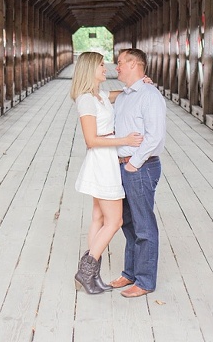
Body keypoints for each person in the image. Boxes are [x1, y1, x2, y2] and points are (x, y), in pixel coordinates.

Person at [69, 51, 144, 295]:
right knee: (115, 221)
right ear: (90, 68)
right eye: (101, 65)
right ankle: (86, 271)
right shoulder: (86, 100)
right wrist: (124, 140)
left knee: (99, 219)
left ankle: (92, 276)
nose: (107, 68)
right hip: (101, 163)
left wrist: (139, 84)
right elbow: (91, 140)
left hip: (106, 161)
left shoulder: (98, 95)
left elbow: (119, 94)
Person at [110, 48, 167, 298]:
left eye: (120, 62)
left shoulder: (149, 95)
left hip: (140, 167)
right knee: (128, 222)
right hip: (121, 166)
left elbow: (155, 135)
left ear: (134, 64)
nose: (116, 67)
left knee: (144, 224)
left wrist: (134, 162)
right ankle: (130, 273)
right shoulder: (123, 96)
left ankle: (144, 281)